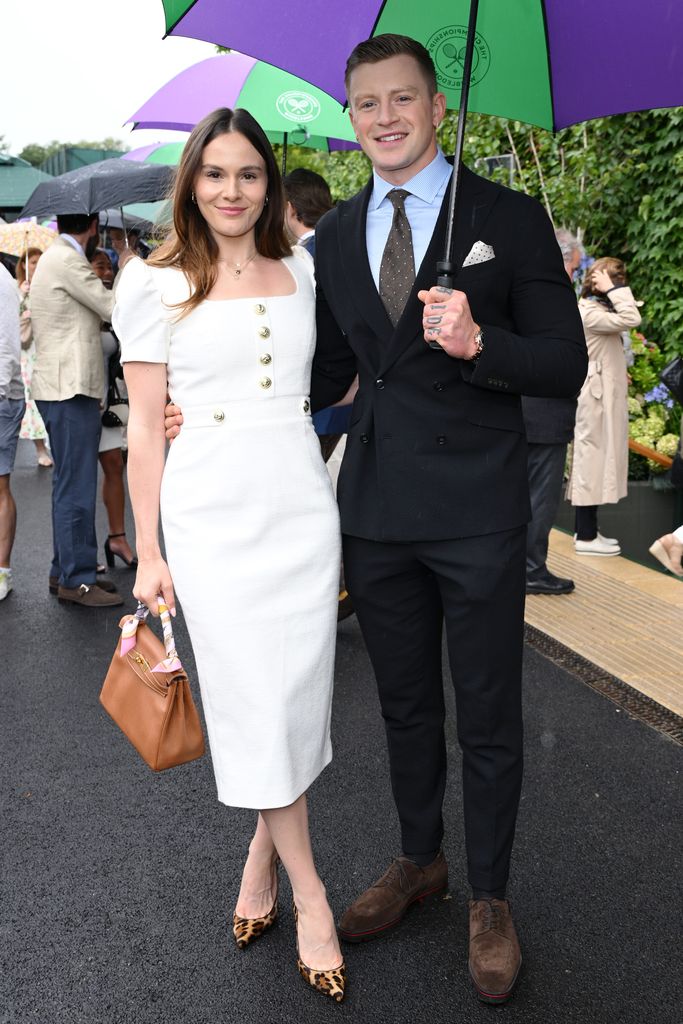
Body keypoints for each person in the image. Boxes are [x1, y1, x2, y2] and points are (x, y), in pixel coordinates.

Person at [166, 36, 587, 1004]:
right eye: (365, 103)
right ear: (350, 120)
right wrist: (202, 409)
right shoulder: (331, 240)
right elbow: (303, 376)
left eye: (402, 98)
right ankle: (417, 859)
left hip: (477, 510)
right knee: (400, 706)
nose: (384, 116)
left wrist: (480, 342)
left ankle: (489, 897)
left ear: (437, 107)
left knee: (485, 712)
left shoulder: (506, 217)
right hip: (373, 511)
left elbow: (560, 362)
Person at [113, 108, 346, 1002]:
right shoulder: (152, 282)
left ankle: (260, 858)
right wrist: (148, 550)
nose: (232, 191)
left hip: (298, 505)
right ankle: (312, 896)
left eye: (249, 173)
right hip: (208, 511)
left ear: (270, 183)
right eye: (214, 174)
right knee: (253, 697)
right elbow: (142, 425)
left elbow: (338, 378)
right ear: (190, 181)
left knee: (293, 697)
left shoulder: (304, 269)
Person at [29, 212, 131, 607]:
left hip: (64, 387)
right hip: (69, 388)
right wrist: (127, 262)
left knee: (71, 484)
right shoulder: (68, 259)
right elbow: (112, 307)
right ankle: (78, 580)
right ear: (92, 228)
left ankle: (68, 570)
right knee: (76, 486)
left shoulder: (57, 256)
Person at [523, 228, 584, 595]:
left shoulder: (517, 288)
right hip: (544, 413)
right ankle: (532, 568)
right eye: (574, 268)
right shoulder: (551, 299)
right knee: (540, 498)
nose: (574, 275)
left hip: (520, 411)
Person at [566, 258, 641, 556]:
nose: (621, 283)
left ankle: (587, 531)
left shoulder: (596, 309)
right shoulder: (589, 312)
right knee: (590, 459)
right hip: (595, 396)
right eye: (616, 279)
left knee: (597, 458)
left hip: (602, 393)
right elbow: (632, 317)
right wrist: (614, 290)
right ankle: (585, 536)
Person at [89, 248, 137, 570]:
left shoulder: (114, 301)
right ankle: (80, 554)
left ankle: (117, 537)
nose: (106, 272)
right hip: (81, 396)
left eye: (110, 266)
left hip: (111, 400)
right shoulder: (88, 300)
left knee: (114, 465)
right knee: (78, 477)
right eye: (100, 266)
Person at [0, 263, 26, 600]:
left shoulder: (1, 281)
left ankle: (2, 571)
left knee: (0, 486)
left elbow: (7, 343)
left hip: (3, 396)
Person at [15, 248, 53, 468]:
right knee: (33, 399)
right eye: (33, 262)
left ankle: (51, 442)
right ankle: (40, 447)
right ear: (24, 265)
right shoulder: (17, 290)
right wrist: (23, 298)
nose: (36, 266)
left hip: (47, 347)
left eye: (40, 262)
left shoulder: (48, 286)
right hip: (28, 353)